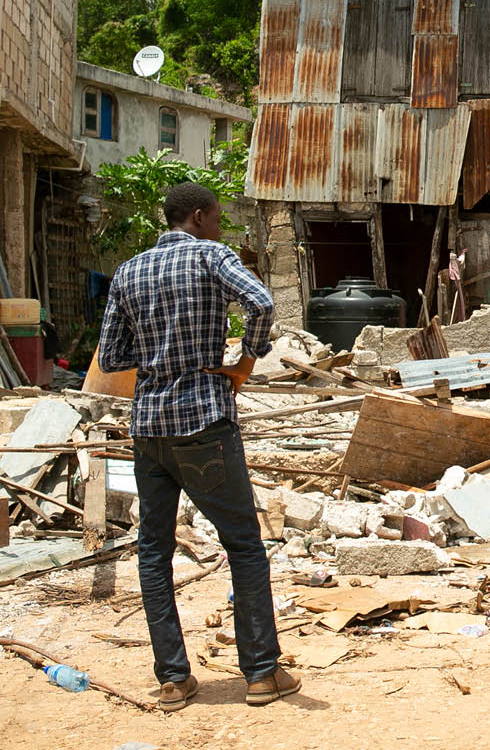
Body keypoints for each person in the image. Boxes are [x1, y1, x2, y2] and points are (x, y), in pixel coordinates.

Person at [98, 182, 301, 711]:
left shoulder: (128, 271)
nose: (219, 227)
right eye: (215, 218)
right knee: (243, 545)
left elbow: (113, 355)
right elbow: (260, 301)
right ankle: (260, 673)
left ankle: (173, 679)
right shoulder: (212, 257)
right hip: (204, 422)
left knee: (152, 552)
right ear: (197, 216)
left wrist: (158, 354)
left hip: (149, 429)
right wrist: (246, 359)